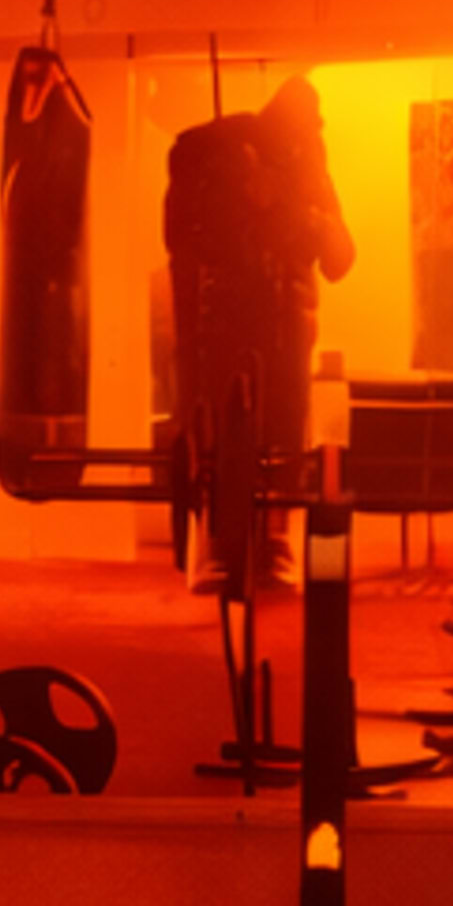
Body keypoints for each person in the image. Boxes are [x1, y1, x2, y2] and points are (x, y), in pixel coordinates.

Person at [162, 72, 356, 594]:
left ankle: (273, 540)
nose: (313, 133)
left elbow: (341, 256)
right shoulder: (214, 153)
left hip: (285, 324)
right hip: (227, 320)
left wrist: (301, 216)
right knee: (222, 430)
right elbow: (183, 243)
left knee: (284, 433)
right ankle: (222, 540)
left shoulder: (309, 168)